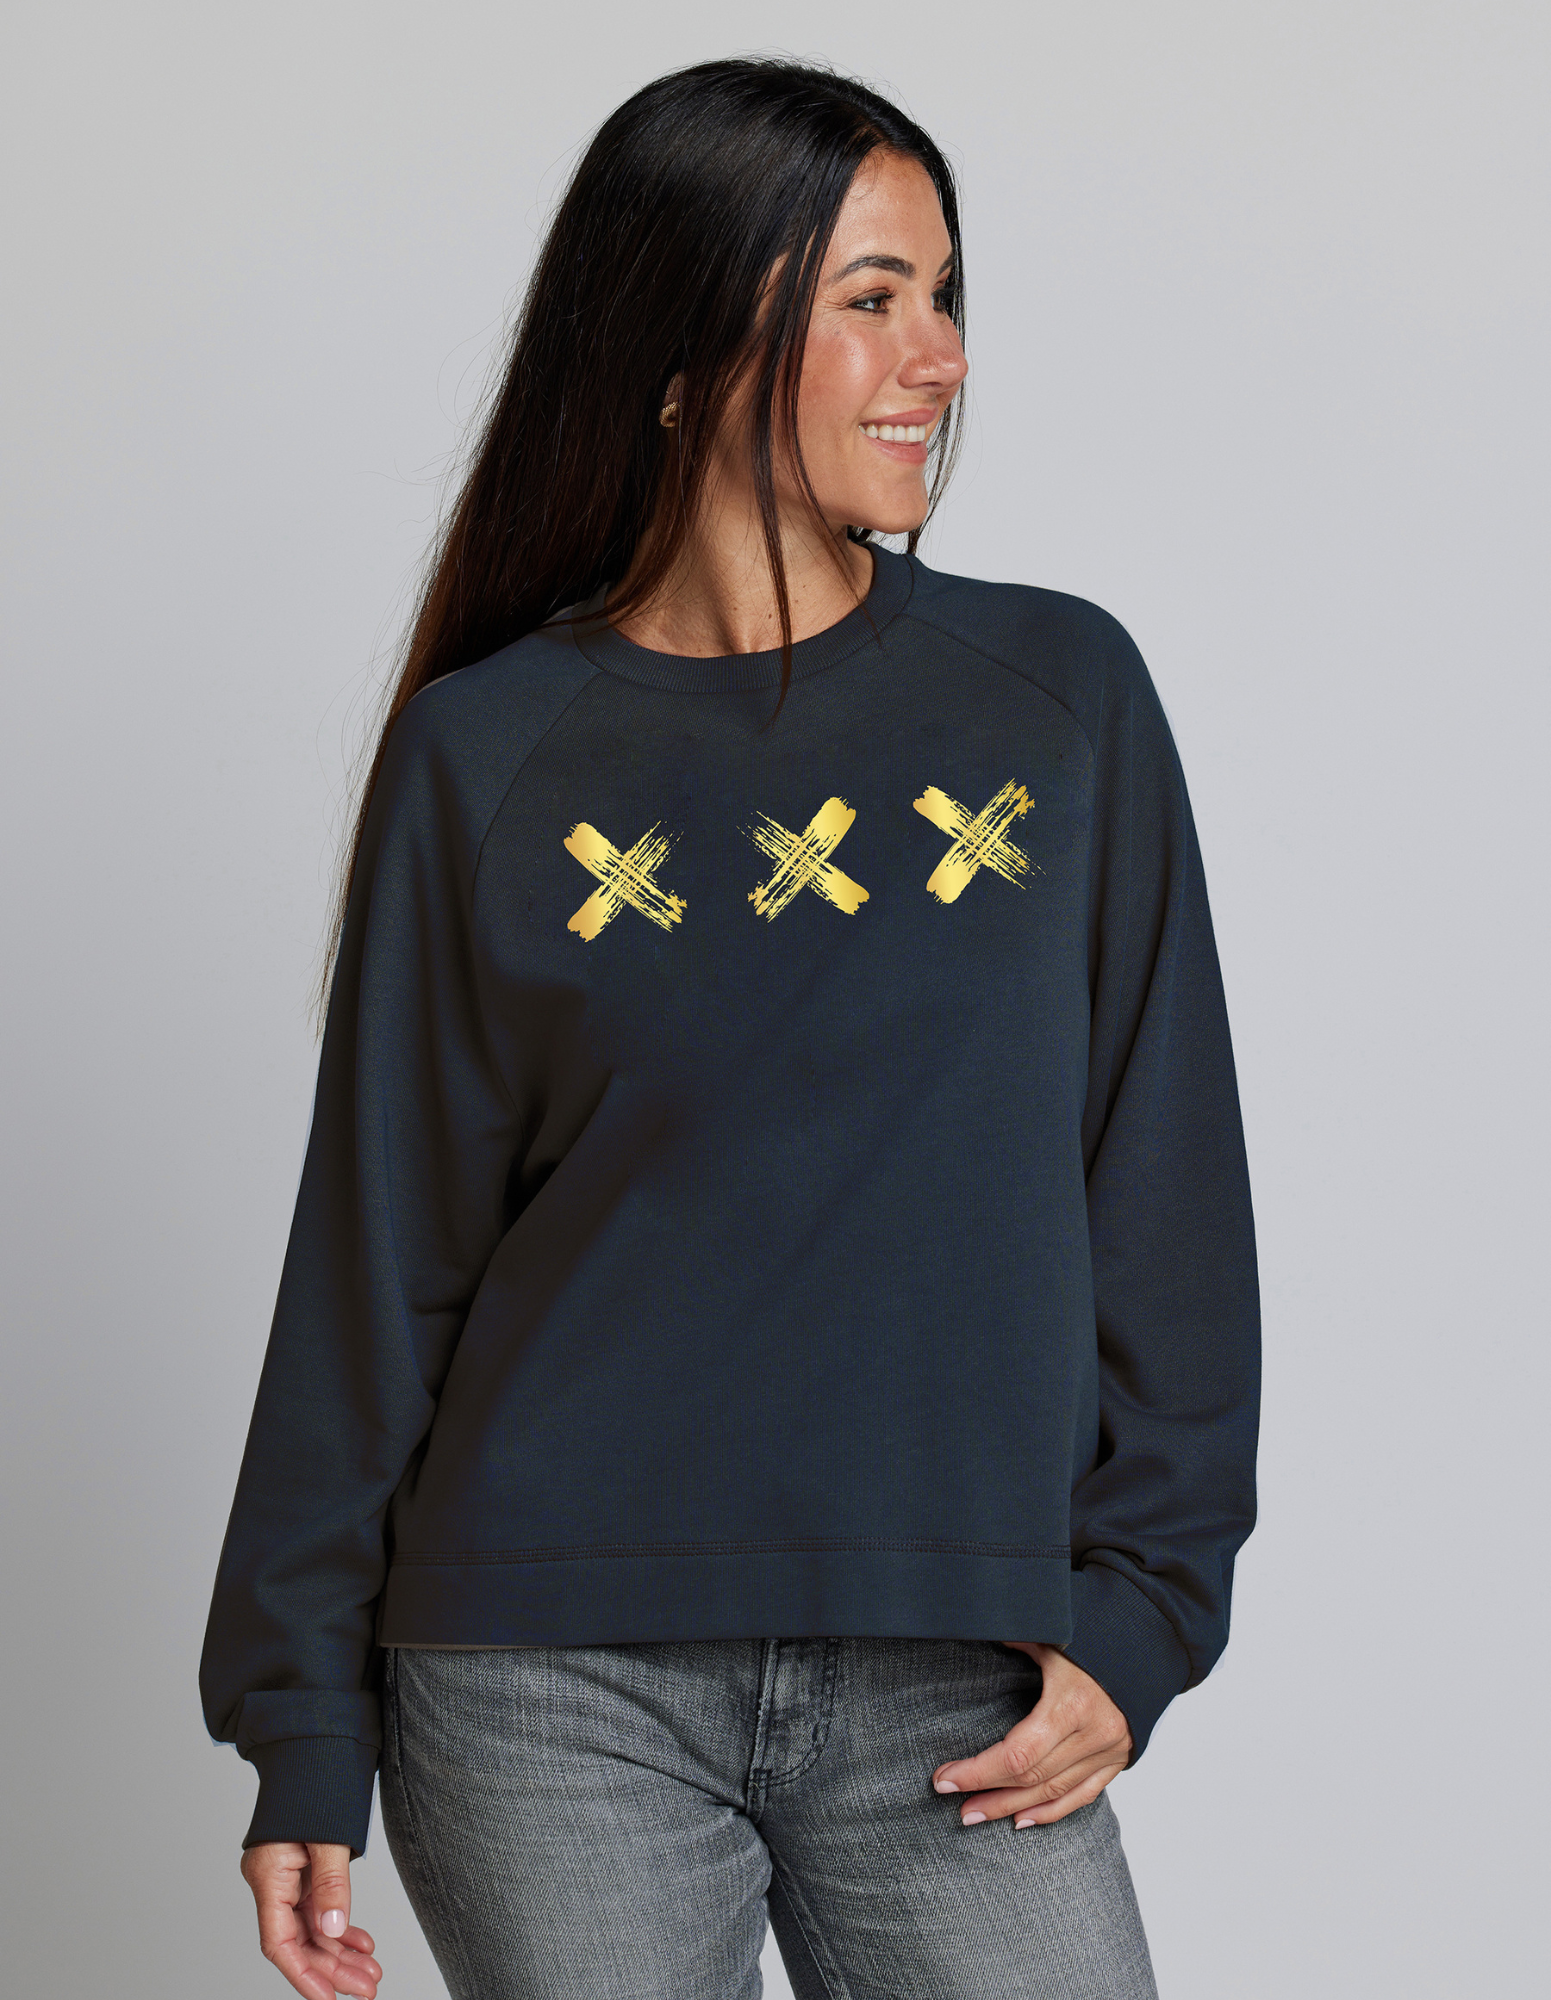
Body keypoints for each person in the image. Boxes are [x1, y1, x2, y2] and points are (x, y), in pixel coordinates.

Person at [201, 57, 1260, 2000]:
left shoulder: (1054, 701)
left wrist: (1143, 1611)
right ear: (685, 351)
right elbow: (379, 1261)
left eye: (944, 293)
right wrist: (301, 1721)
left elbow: (1164, 1184)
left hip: (957, 1664)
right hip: (544, 1682)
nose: (938, 356)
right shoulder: (488, 756)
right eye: (870, 298)